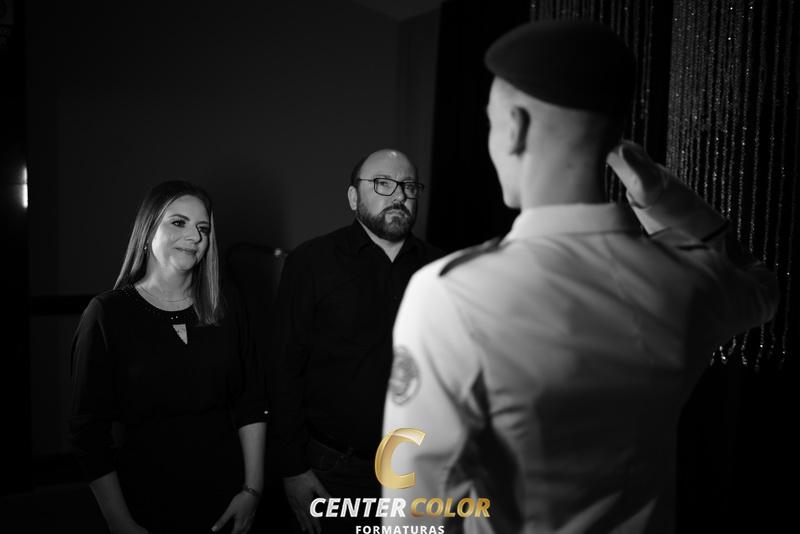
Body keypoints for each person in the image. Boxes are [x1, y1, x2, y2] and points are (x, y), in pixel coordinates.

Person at [382, 20, 778, 533]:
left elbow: (414, 514)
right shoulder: (687, 278)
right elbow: (760, 283)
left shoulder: (451, 295)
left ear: (515, 127)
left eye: (491, 122)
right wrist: (659, 195)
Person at [70, 181, 268, 534]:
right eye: (179, 222)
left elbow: (251, 401)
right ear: (148, 230)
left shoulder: (227, 304)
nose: (195, 236)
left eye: (203, 228)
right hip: (144, 503)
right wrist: (119, 521)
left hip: (226, 498)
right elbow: (88, 433)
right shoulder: (107, 314)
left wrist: (252, 491)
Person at [269, 149, 443, 533]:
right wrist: (292, 468)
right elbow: (283, 369)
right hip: (335, 470)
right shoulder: (311, 263)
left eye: (409, 186)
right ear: (353, 197)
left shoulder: (440, 269)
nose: (399, 195)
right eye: (383, 184)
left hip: (420, 468)